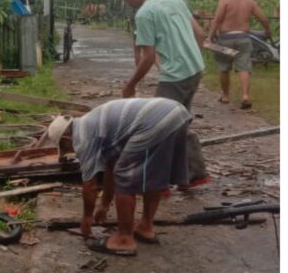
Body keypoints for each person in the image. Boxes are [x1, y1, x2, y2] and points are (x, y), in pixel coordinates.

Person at [48, 97, 191, 256]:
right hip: (176, 113)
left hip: (155, 121)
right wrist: (104, 204)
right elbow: (111, 167)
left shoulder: (82, 138)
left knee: (124, 177)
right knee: (153, 173)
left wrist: (87, 217)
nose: (70, 150)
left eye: (65, 147)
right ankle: (145, 227)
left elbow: (90, 184)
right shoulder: (92, 124)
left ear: (66, 139)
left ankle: (124, 240)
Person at [119, 0, 209, 186]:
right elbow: (200, 33)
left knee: (155, 126)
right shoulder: (175, 0)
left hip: (176, 76)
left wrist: (130, 86)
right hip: (195, 69)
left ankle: (156, 184)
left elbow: (147, 57)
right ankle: (193, 174)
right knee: (176, 122)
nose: (127, 3)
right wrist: (190, 55)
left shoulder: (144, 14)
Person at [206, 0, 274, 109]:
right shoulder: (250, 2)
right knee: (244, 67)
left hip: (225, 39)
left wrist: (210, 37)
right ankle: (245, 96)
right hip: (243, 38)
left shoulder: (224, 1)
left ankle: (225, 96)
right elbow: (264, 19)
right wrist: (267, 31)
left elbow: (217, 20)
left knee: (224, 67)